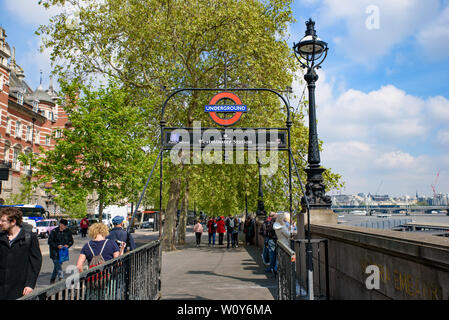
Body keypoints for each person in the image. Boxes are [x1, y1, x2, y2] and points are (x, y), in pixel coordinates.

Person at [0, 207, 42, 299]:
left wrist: (30, 284)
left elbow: (35, 263)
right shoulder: (1, 237)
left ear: (13, 222)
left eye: (3, 221)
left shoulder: (29, 237)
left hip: (19, 288)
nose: (0, 223)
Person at [48, 219, 74, 284]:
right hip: (54, 252)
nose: (65, 227)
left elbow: (71, 241)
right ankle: (61, 277)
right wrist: (57, 246)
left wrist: (68, 245)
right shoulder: (54, 231)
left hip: (63, 253)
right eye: (64, 225)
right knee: (57, 264)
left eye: (66, 226)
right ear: (60, 224)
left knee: (57, 266)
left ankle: (52, 279)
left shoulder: (68, 231)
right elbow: (50, 242)